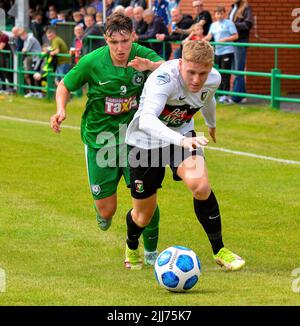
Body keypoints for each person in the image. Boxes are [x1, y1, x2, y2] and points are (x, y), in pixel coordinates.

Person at [50, 13, 164, 266]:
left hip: (136, 140)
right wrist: (61, 109)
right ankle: (107, 215)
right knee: (106, 211)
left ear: (133, 36)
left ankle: (151, 252)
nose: (121, 48)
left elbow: (171, 70)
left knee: (147, 198)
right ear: (106, 40)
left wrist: (151, 67)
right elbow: (64, 86)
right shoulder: (92, 62)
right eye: (114, 43)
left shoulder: (142, 54)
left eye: (125, 41)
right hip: (100, 140)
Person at [124, 40, 246, 271]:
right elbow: (147, 120)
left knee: (201, 186)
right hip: (145, 142)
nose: (196, 80)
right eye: (191, 72)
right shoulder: (163, 79)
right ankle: (131, 245)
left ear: (210, 68)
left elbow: (207, 99)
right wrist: (181, 139)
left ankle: (220, 250)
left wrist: (211, 124)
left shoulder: (213, 78)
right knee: (143, 216)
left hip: (183, 137)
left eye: (203, 73)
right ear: (181, 64)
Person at [204, 6, 238, 104]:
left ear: (224, 13)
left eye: (221, 13)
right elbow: (209, 36)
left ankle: (225, 95)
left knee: (225, 74)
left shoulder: (229, 23)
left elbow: (236, 36)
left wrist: (225, 40)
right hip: (217, 52)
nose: (219, 15)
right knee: (217, 73)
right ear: (215, 14)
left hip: (227, 51)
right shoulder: (213, 25)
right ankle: (219, 94)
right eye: (217, 13)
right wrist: (202, 40)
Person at [228, 0, 253, 103]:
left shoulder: (247, 8)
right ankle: (241, 95)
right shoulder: (233, 8)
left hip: (240, 42)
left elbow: (248, 24)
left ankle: (236, 97)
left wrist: (233, 25)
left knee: (238, 69)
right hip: (232, 42)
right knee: (236, 69)